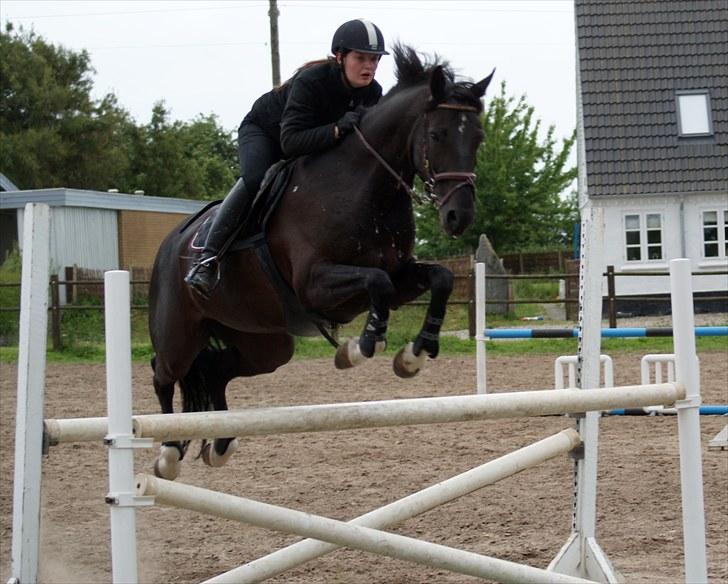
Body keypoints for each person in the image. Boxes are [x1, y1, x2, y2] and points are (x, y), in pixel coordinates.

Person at [184, 19, 389, 300]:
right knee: (257, 178)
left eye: (375, 59)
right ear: (340, 57)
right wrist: (337, 129)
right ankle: (207, 259)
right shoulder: (312, 81)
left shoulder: (373, 92)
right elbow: (290, 142)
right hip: (267, 133)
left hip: (311, 146)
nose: (369, 66)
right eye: (361, 58)